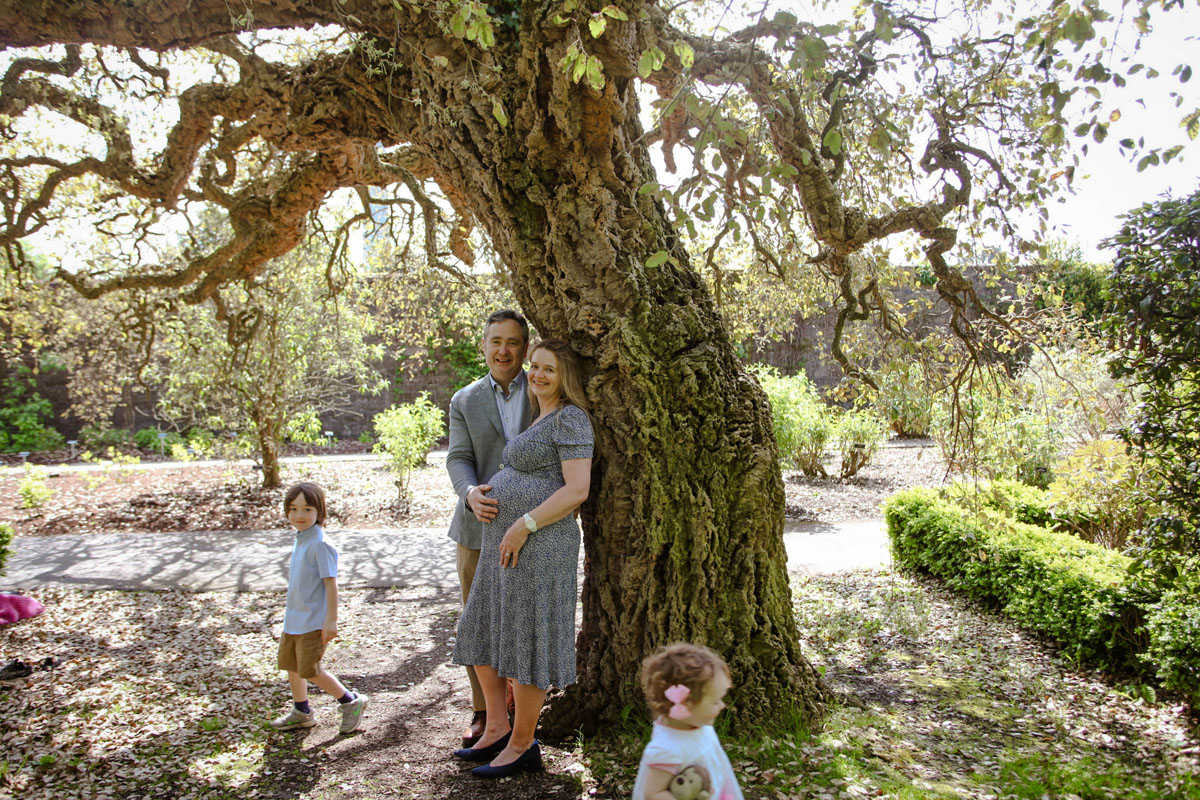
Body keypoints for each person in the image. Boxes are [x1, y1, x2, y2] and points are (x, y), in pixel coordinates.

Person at [451, 338, 594, 778]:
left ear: (565, 376)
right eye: (535, 366)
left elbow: (577, 489)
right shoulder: (540, 415)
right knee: (481, 629)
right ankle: (496, 728)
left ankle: (522, 744)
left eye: (549, 368)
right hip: (507, 544)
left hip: (540, 545)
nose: (538, 374)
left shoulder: (571, 418)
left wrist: (524, 524)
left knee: (526, 640)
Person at [445, 309, 533, 747]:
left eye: (512, 342)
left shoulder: (544, 390)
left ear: (525, 348)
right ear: (483, 346)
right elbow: (458, 457)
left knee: (523, 618)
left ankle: (520, 711)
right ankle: (483, 712)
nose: (503, 350)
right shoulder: (464, 400)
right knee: (476, 622)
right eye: (496, 341)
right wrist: (468, 493)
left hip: (530, 527)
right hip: (476, 527)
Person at [269, 482, 369, 734]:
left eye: (307, 509)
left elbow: (330, 584)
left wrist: (331, 620)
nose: (299, 515)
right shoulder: (302, 538)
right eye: (293, 509)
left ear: (319, 511)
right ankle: (301, 711)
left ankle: (350, 701)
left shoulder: (320, 544)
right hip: (294, 620)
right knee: (292, 665)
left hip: (313, 621)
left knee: (310, 670)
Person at [633, 643, 743, 800]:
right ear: (687, 704)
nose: (722, 706)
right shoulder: (667, 749)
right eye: (715, 701)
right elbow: (653, 794)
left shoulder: (699, 726)